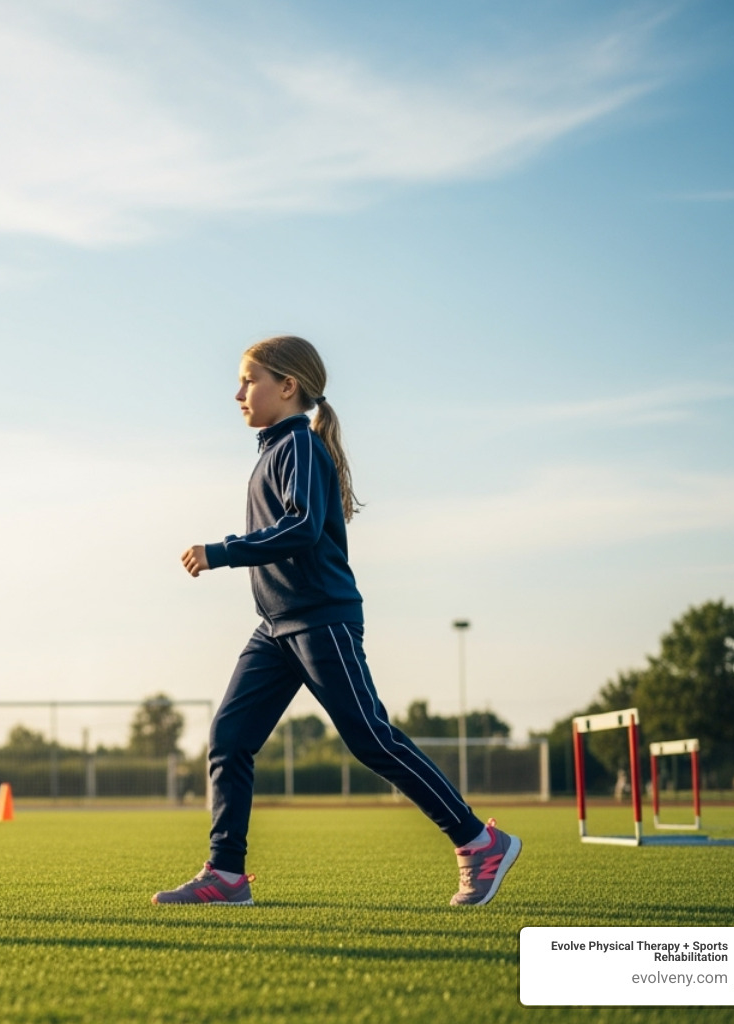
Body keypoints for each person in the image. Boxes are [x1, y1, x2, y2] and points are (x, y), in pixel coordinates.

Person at [152, 335, 520, 907]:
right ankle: (226, 874)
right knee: (229, 739)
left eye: (249, 380)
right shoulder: (274, 451)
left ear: (288, 386)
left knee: (370, 738)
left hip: (320, 620)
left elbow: (301, 528)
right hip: (275, 627)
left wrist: (221, 551)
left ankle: (479, 841)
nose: (238, 393)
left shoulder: (299, 445)